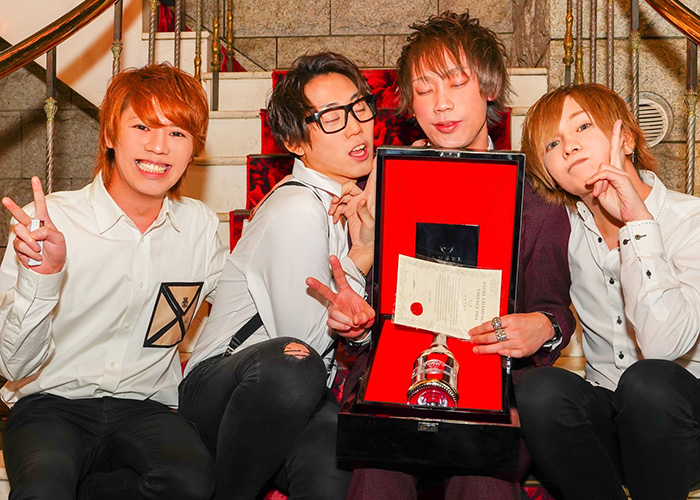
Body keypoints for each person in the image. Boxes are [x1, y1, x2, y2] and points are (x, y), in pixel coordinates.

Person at [309, 10, 576, 500]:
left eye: (456, 83)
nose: (441, 104)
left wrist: (543, 327)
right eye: (424, 89)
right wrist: (358, 324)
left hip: (495, 386)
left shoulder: (536, 200)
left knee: (482, 474)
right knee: (378, 471)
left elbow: (553, 310)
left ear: (488, 88)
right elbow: (373, 315)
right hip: (395, 382)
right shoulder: (386, 186)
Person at [0, 63, 225, 499]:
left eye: (177, 132)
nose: (159, 147)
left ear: (193, 147)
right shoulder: (50, 222)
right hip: (50, 405)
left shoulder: (197, 226)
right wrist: (43, 280)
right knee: (44, 490)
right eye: (142, 127)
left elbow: (244, 302)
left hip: (146, 407)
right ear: (109, 135)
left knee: (190, 481)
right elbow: (13, 367)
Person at [178, 51, 376, 500]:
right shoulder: (298, 209)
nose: (355, 127)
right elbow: (303, 344)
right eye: (331, 117)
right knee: (296, 368)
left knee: (334, 458)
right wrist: (361, 257)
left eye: (359, 107)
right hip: (225, 389)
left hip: (299, 393)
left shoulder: (343, 203)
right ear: (294, 141)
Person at [514, 83, 700, 500]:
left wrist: (638, 223)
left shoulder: (692, 221)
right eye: (552, 144)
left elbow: (664, 346)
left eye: (583, 126)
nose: (569, 146)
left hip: (682, 427)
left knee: (647, 382)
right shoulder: (562, 231)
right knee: (539, 390)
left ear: (627, 139)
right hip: (608, 422)